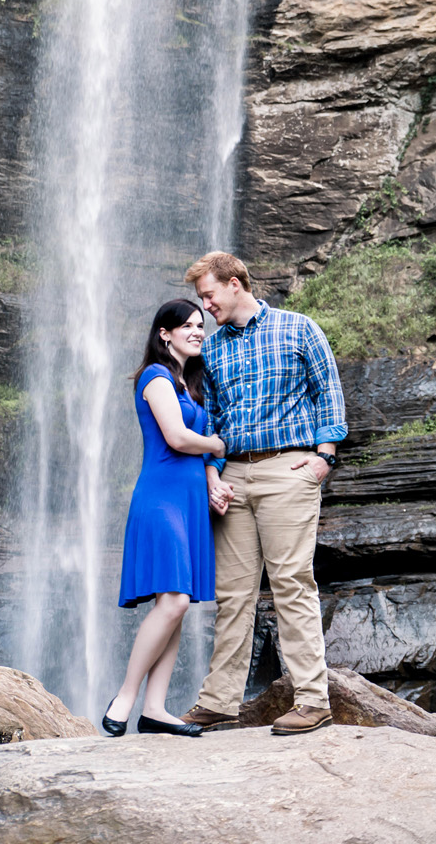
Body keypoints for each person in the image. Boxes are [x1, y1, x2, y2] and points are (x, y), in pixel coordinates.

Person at [178, 251, 347, 736]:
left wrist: (324, 457)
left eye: (209, 295)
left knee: (292, 583)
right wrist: (212, 473)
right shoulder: (210, 350)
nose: (206, 306)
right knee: (233, 595)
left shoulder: (299, 328)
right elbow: (210, 418)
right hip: (232, 474)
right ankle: (219, 701)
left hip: (286, 469)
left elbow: (328, 392)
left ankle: (313, 700)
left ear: (235, 284)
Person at [101, 299, 228, 738]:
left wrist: (213, 479)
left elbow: (194, 444)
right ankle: (126, 695)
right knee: (173, 601)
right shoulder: (155, 378)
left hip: (190, 501)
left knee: (175, 607)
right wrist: (216, 444)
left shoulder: (190, 385)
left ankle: (155, 708)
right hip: (161, 499)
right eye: (188, 325)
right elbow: (176, 438)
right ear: (164, 333)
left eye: (201, 324)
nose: (197, 331)